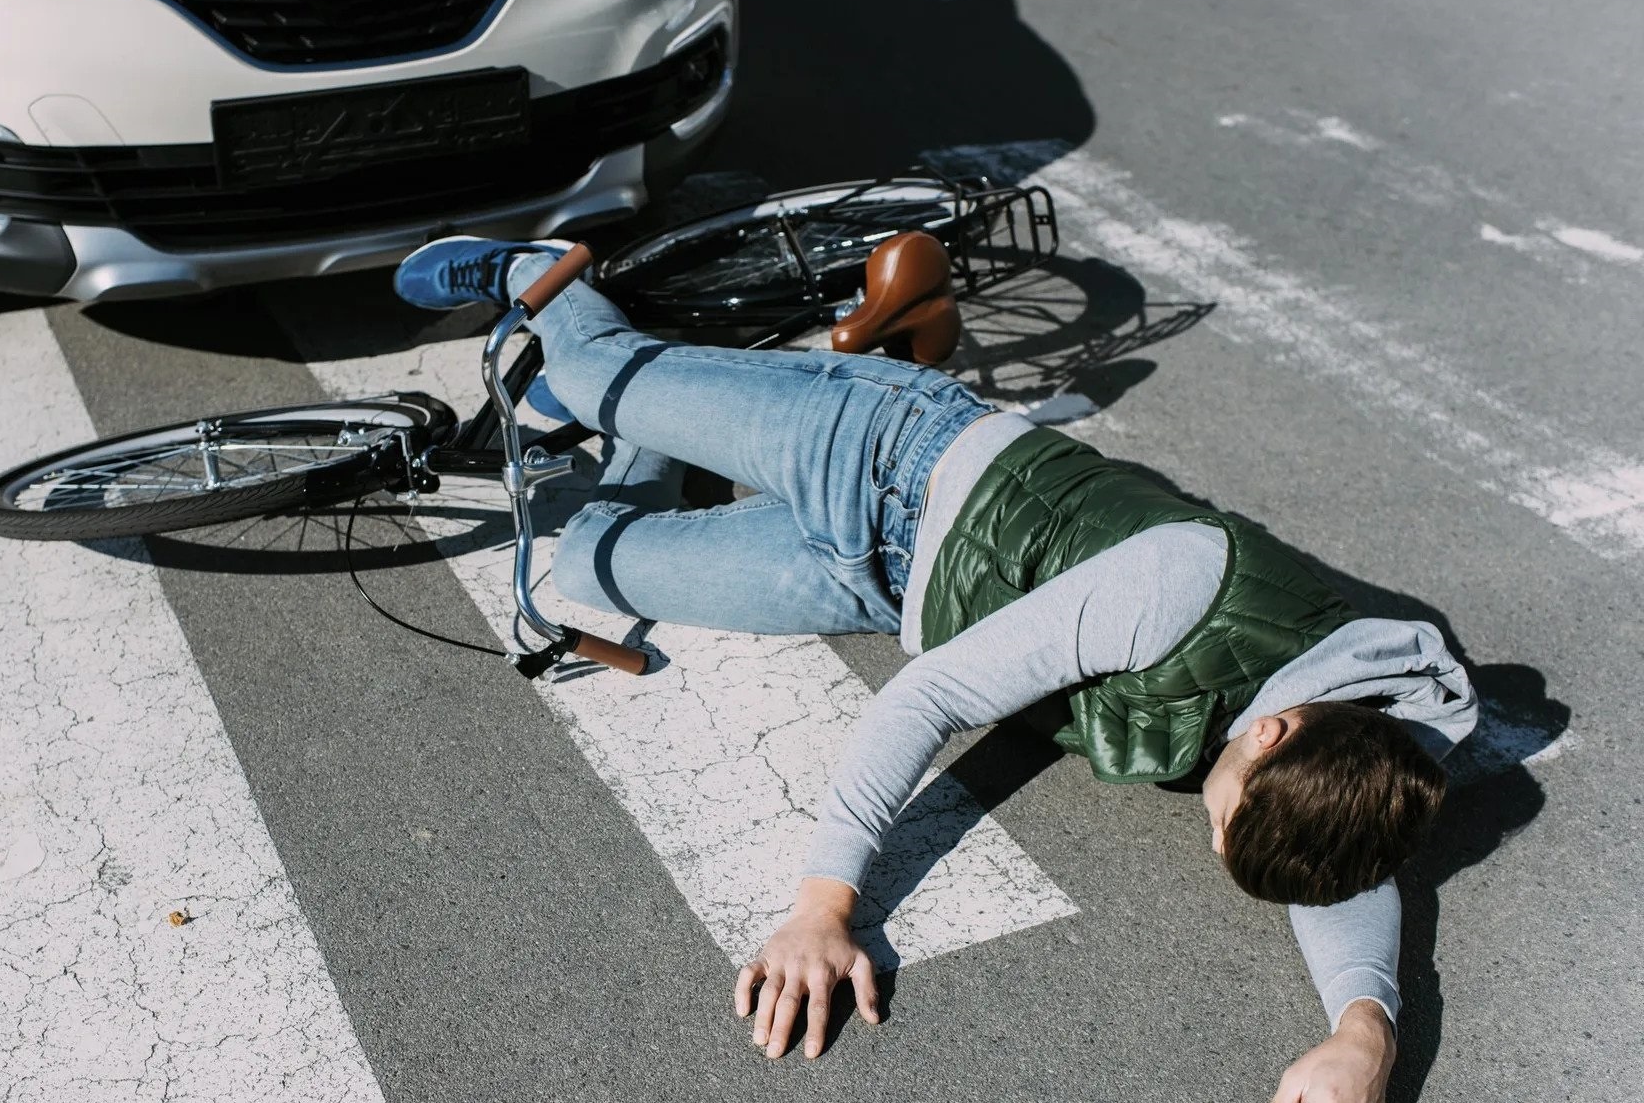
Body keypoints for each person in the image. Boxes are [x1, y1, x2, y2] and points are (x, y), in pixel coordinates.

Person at [393, 233, 1477, 1103]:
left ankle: (759, 375)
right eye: (1225, 809)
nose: (1208, 823)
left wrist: (1360, 1035)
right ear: (1278, 727)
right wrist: (822, 909)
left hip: (881, 586)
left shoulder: (1378, 748)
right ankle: (538, 268)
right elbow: (934, 695)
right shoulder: (1185, 585)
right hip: (886, 456)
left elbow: (1349, 865)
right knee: (583, 367)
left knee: (587, 561)